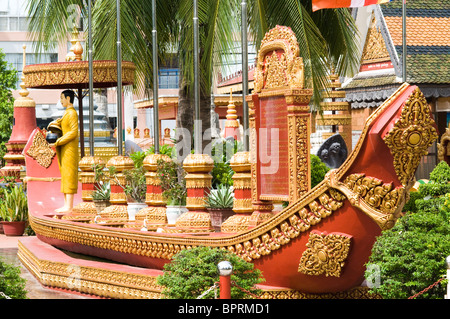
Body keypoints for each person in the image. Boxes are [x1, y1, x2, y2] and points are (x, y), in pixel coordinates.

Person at [48, 90, 79, 213]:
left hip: (69, 148)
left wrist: (58, 142)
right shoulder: (67, 113)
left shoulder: (72, 114)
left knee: (69, 174)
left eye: (62, 98)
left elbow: (73, 132)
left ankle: (69, 205)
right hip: (64, 148)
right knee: (65, 174)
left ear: (68, 98)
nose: (60, 101)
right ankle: (66, 204)